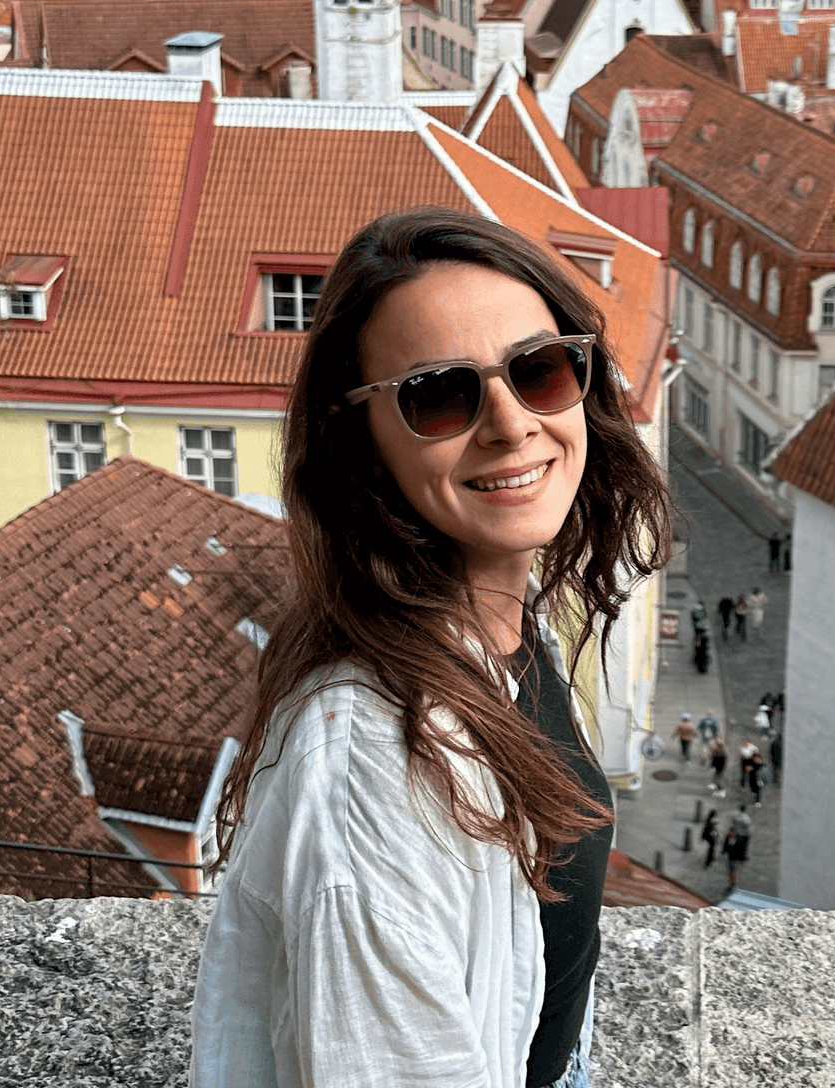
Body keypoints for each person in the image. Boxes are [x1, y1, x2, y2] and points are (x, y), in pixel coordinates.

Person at [191, 209, 672, 1088]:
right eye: (440, 394)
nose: (510, 422)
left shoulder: (505, 627)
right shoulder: (373, 764)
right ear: (363, 448)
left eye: (540, 369)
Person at [724, 809, 751, 889]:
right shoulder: (746, 819)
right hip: (734, 852)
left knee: (732, 868)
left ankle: (732, 882)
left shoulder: (732, 835)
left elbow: (727, 844)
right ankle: (732, 882)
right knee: (733, 869)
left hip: (732, 855)